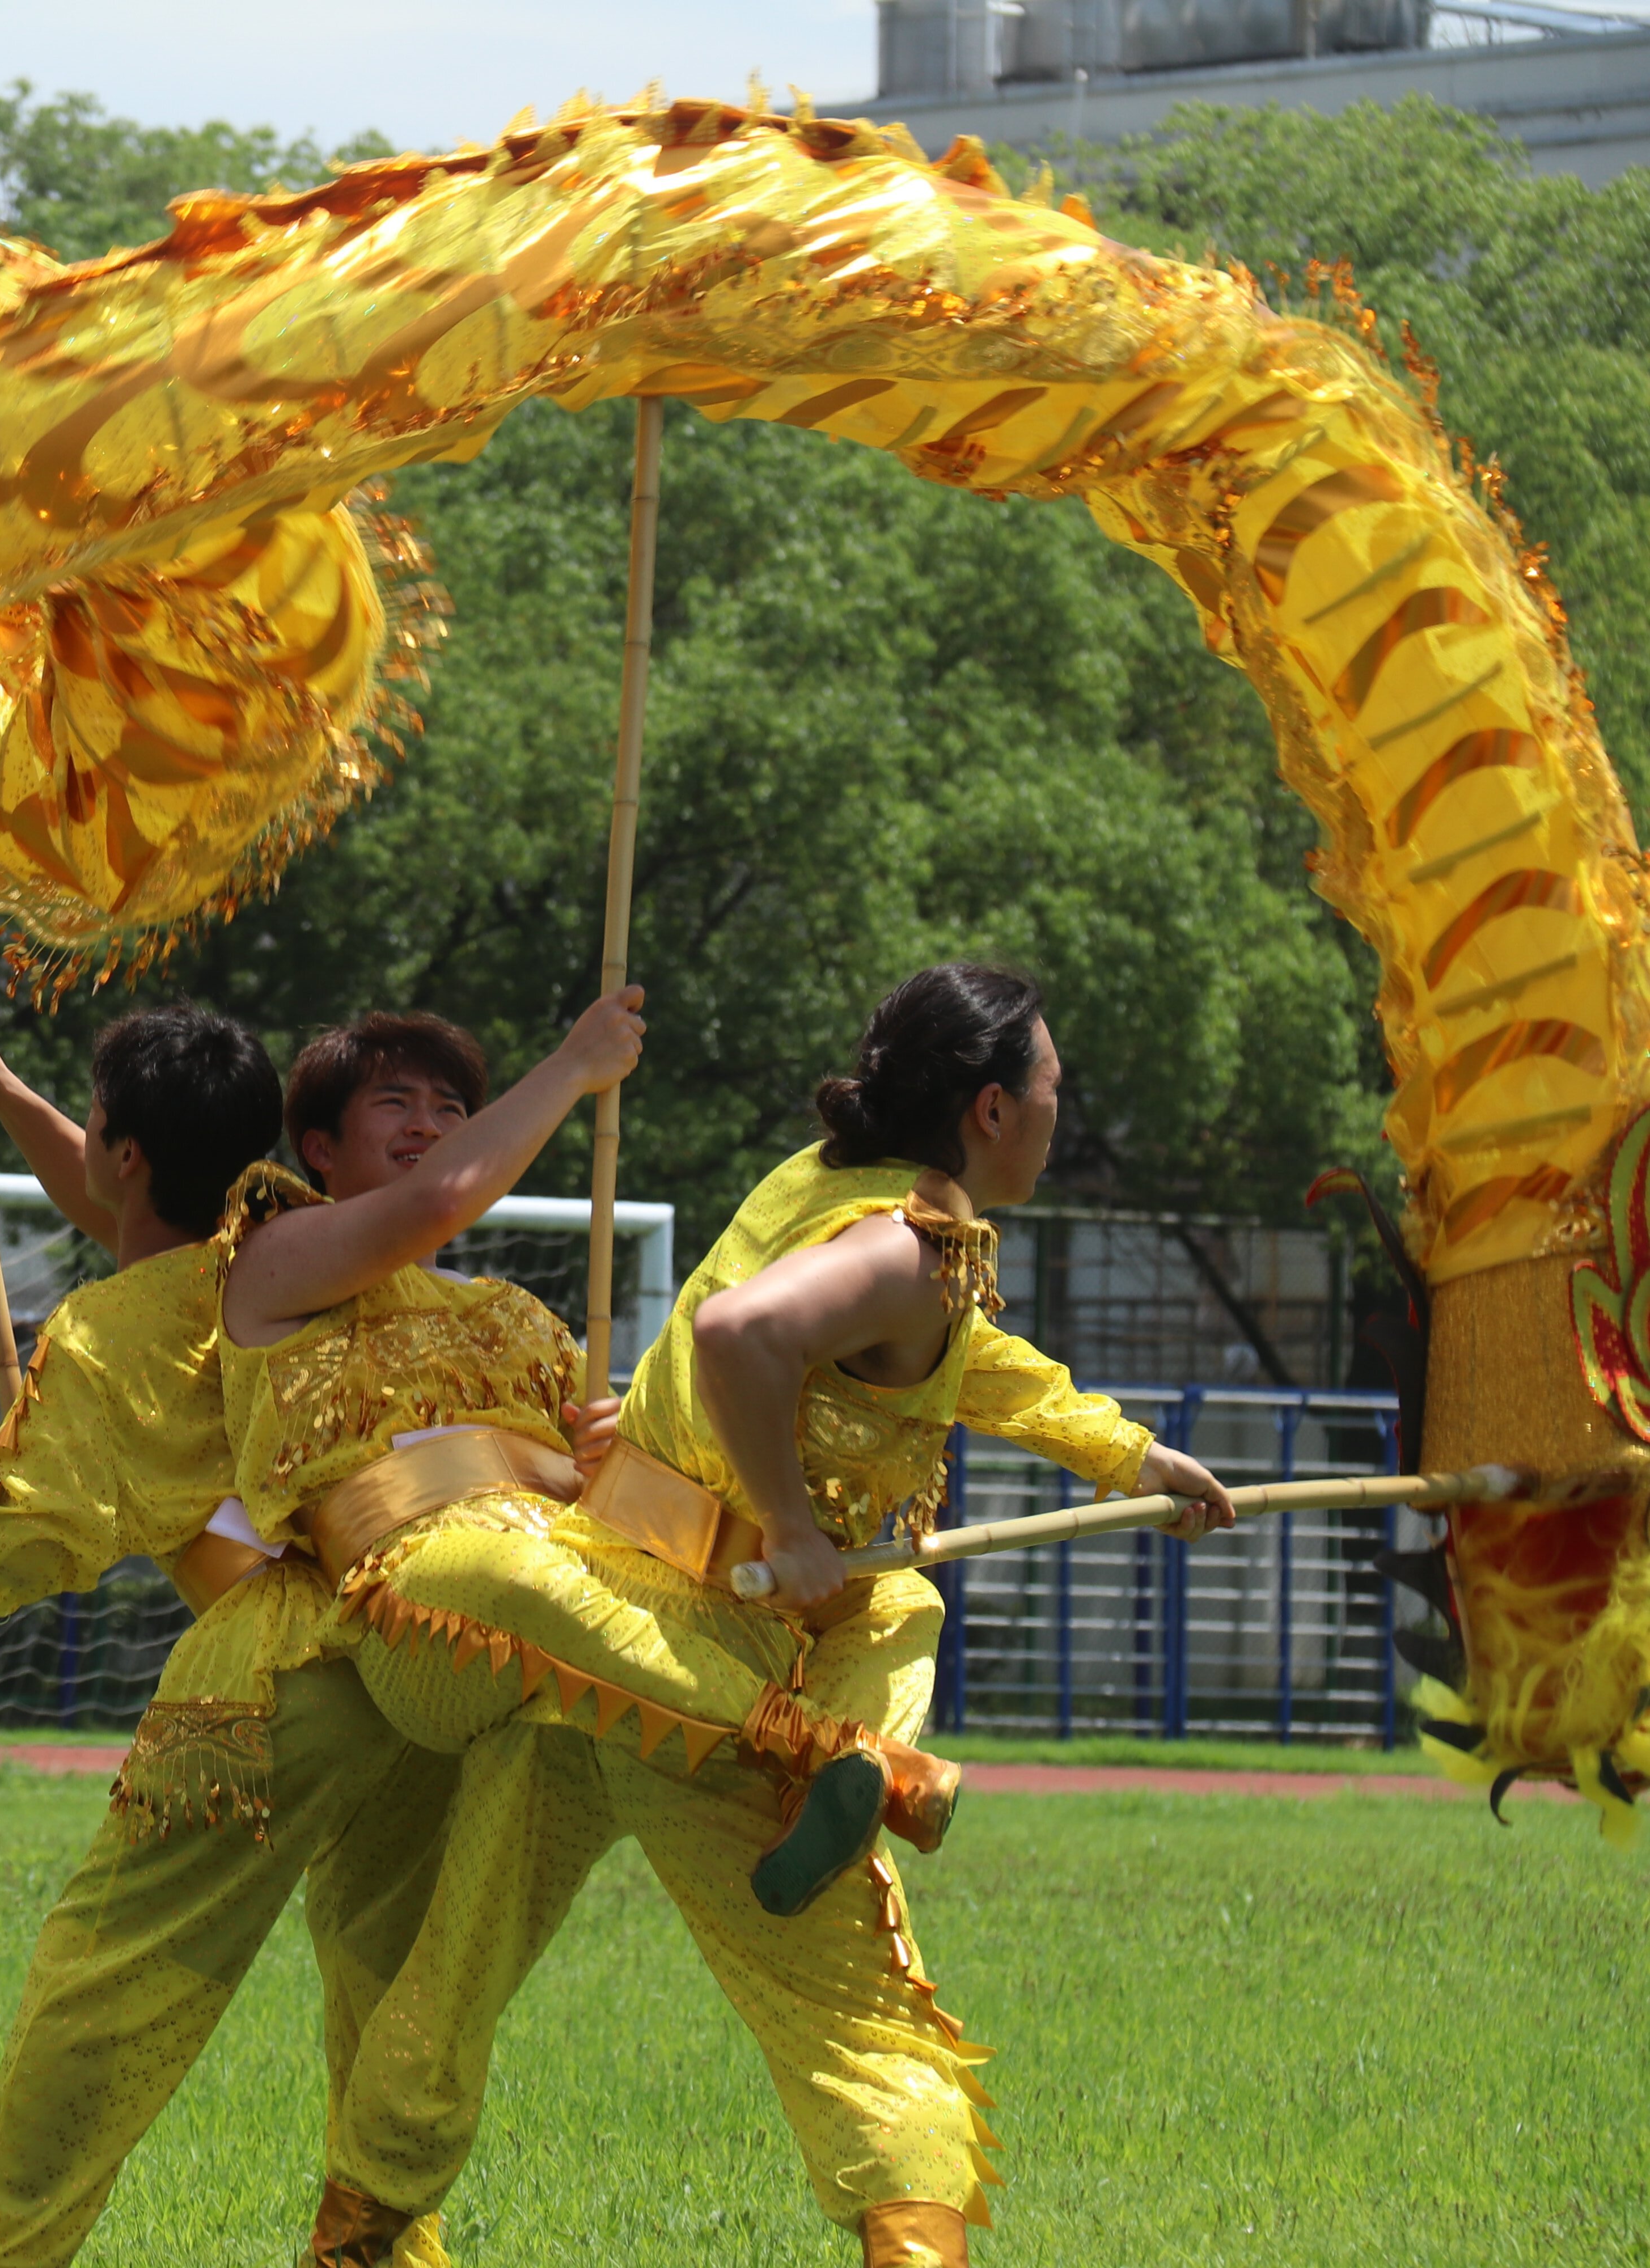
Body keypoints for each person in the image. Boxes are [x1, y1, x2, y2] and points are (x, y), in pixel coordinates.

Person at [295, 966, 1233, 2266]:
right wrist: (792, 1525)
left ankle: (351, 2242)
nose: (1061, 1114)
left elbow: (934, 1348)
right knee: (864, 2024)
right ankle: (836, 1752)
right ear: (989, 1107)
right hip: (712, 1658)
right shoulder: (913, 1239)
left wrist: (1126, 1453)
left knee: (459, 1965)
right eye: (1053, 1091)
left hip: (602, 1634)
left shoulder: (823, 1187)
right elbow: (739, 1333)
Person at [0, 994, 617, 2268]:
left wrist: (8, 1478)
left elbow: (21, 1551)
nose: (428, 1128)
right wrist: (5, 1086)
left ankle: (0, 2255)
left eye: (443, 1108)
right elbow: (127, 1203)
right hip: (424, 1657)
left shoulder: (144, 1315)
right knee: (382, 1972)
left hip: (267, 1677)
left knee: (115, 1972)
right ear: (292, 1155)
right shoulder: (424, 1290)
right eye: (399, 1104)